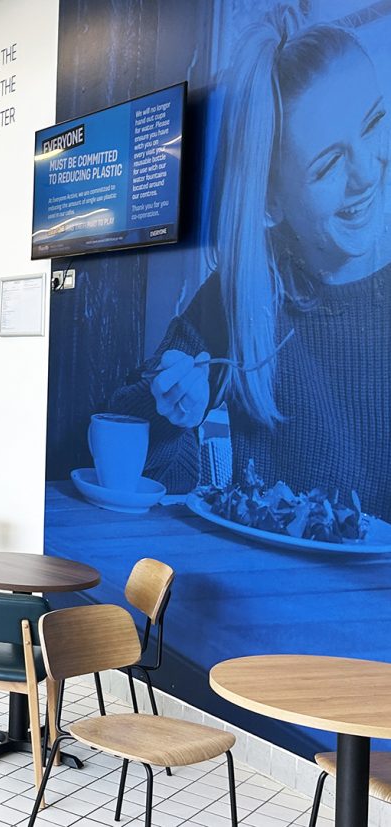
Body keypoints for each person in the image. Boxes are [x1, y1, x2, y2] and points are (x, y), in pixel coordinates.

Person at [109, 14, 391, 514]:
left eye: (374, 123)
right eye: (327, 165)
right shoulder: (242, 295)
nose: (368, 172)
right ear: (270, 204)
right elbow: (142, 458)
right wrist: (171, 410)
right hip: (269, 590)